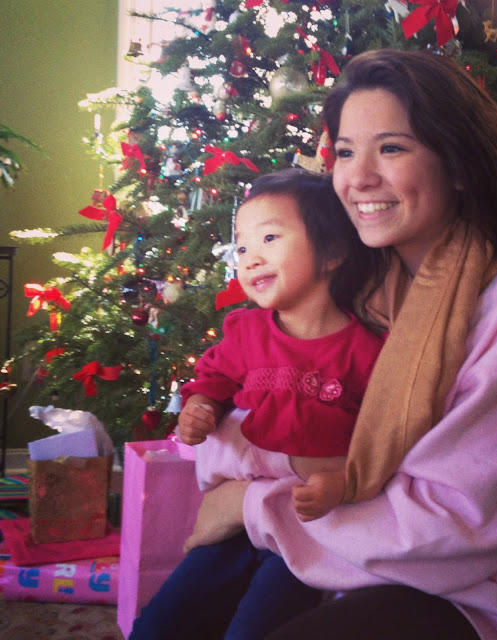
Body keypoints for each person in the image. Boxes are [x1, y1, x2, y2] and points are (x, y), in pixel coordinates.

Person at [135, 48, 497, 640]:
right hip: (303, 554)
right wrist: (290, 466)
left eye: (391, 148)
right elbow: (224, 439)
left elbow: (450, 527)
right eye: (343, 152)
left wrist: (249, 504)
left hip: (446, 594)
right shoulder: (347, 289)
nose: (358, 178)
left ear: (459, 165)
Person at [130, 168, 385, 640]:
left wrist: (342, 484)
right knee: (159, 625)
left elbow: (383, 443)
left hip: (308, 531)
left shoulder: (368, 351)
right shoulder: (245, 331)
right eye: (242, 247)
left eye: (269, 238)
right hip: (235, 524)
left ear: (333, 252)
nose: (251, 259)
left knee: (255, 630)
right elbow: (212, 380)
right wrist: (200, 407)